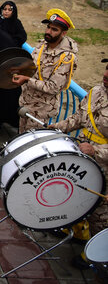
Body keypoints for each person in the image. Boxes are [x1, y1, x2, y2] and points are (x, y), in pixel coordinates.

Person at [50, 59, 108, 239]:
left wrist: (96, 150)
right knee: (77, 195)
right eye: (107, 68)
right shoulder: (96, 92)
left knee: (100, 212)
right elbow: (78, 118)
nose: (106, 74)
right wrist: (56, 127)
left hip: (104, 166)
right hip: (82, 158)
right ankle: (76, 231)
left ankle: (95, 255)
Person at [13, 9, 78, 132]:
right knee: (21, 136)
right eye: (48, 27)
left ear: (63, 33)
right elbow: (31, 66)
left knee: (32, 144)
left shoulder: (67, 57)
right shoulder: (43, 44)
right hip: (26, 102)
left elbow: (53, 87)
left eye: (54, 30)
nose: (48, 31)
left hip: (42, 110)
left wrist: (27, 79)